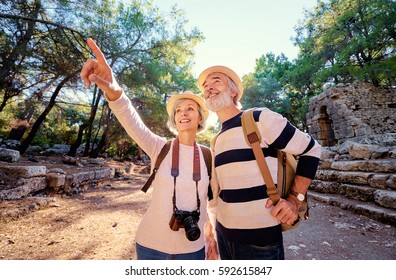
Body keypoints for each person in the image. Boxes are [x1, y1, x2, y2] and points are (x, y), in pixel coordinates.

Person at [80, 38, 218, 260]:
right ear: (174, 118)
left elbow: (214, 202)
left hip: (192, 249)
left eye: (190, 108)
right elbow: (130, 119)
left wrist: (212, 237)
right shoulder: (159, 147)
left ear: (200, 117)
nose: (183, 113)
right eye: (179, 110)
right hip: (150, 246)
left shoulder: (208, 156)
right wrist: (114, 88)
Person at [198, 65, 321, 260]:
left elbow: (312, 149)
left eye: (216, 81)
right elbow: (217, 196)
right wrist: (211, 234)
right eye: (205, 85)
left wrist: (294, 200)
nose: (208, 87)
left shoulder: (259, 118)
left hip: (260, 242)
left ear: (234, 91)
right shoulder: (216, 139)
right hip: (224, 237)